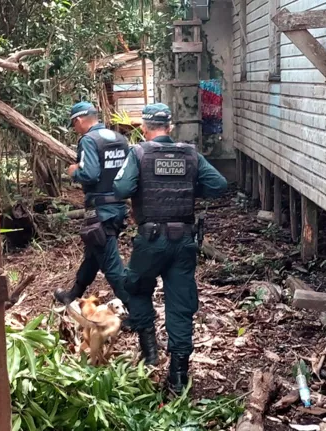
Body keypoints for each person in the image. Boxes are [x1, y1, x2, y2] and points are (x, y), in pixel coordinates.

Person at [113, 103, 228, 394]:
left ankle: (150, 350)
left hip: (151, 242)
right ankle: (178, 377)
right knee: (181, 305)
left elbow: (121, 189)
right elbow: (219, 184)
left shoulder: (138, 153)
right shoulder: (190, 154)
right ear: (170, 127)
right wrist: (189, 187)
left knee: (134, 287)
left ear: (144, 127)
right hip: (184, 242)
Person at [53, 102, 132, 309]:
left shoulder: (88, 140)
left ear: (79, 120)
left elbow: (90, 174)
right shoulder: (120, 138)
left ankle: (137, 311)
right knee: (93, 255)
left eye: (73, 124)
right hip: (118, 207)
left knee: (112, 266)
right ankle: (73, 294)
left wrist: (73, 172)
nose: (74, 129)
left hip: (100, 210)